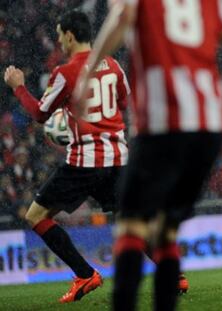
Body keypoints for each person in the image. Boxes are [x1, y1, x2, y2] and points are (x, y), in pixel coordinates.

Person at [75, 1, 222, 311]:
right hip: (207, 129)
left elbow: (121, 17)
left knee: (131, 225)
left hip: (161, 126)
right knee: (167, 228)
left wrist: (87, 74)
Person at [4, 10, 130, 303]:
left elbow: (39, 113)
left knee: (35, 216)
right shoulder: (113, 65)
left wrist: (18, 86)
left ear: (70, 36)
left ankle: (86, 274)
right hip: (117, 156)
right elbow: (123, 101)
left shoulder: (66, 72)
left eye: (60, 35)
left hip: (85, 160)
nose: (59, 40)